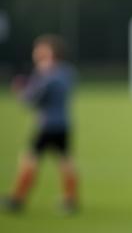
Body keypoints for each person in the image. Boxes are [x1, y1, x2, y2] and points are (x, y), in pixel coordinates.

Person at [2, 34, 80, 214]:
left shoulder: (47, 73)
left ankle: (17, 199)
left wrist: (20, 90)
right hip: (63, 122)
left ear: (50, 51)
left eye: (40, 49)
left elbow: (33, 99)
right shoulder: (67, 71)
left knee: (29, 159)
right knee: (65, 160)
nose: (36, 52)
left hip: (47, 124)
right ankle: (70, 200)